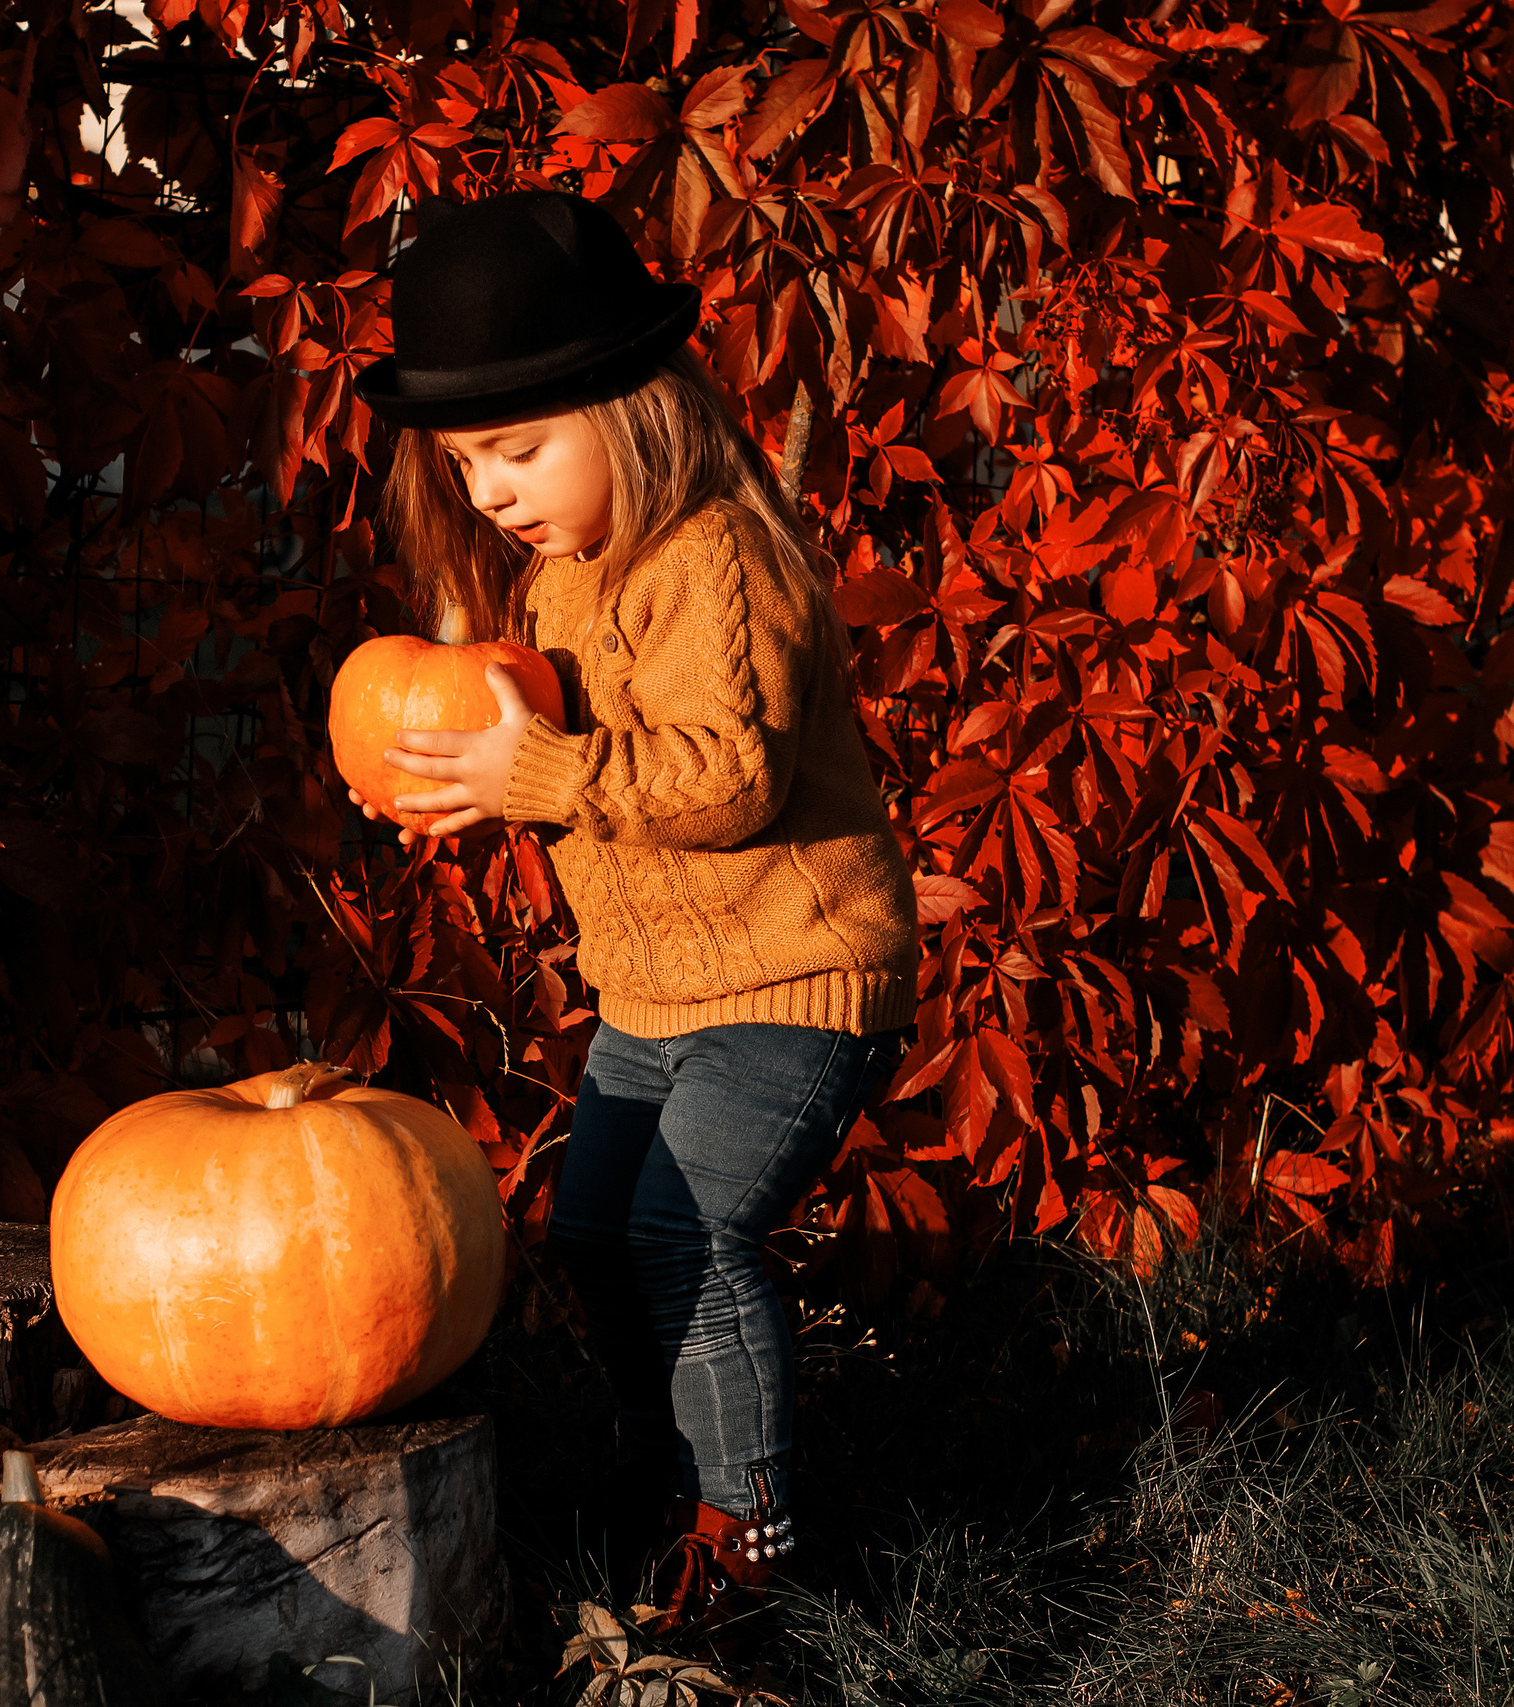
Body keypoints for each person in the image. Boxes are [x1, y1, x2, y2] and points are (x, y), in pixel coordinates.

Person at [346, 191, 918, 1637]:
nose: (491, 492)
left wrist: (535, 773)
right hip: (656, 995)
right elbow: (584, 774)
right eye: (467, 462)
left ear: (633, 411)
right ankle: (685, 1482)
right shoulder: (561, 582)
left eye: (520, 450)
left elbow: (725, 780)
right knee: (597, 1232)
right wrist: (465, 790)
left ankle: (752, 1544)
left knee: (685, 1232)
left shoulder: (717, 556)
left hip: (793, 975)